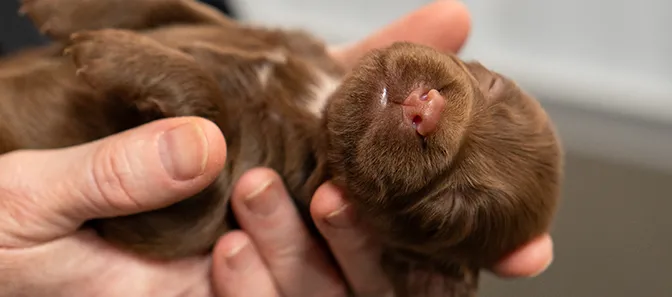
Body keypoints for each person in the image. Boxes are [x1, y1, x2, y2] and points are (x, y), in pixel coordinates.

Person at [0, 1, 553, 296]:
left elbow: (177, 222)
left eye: (456, 199)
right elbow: (213, 29)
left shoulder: (286, 199)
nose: (437, 110)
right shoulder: (314, 62)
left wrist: (187, 92)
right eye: (492, 89)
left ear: (421, 269)